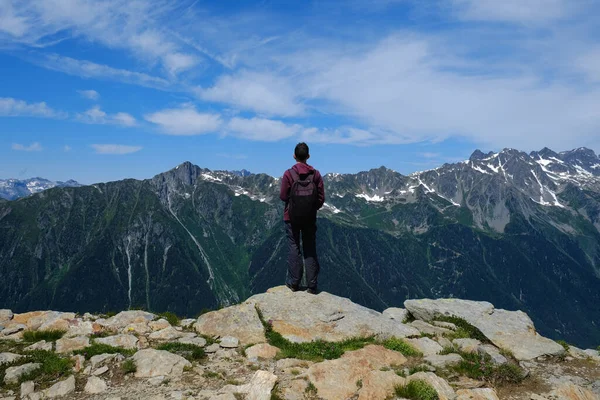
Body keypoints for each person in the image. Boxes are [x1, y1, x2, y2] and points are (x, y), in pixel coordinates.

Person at [279, 142, 325, 294]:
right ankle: (312, 285)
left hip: (291, 217)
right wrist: (311, 209)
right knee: (309, 248)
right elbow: (320, 199)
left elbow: (283, 196)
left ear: (294, 156)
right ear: (308, 156)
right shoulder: (316, 175)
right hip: (310, 218)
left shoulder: (288, 174)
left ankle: (294, 283)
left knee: (294, 247)